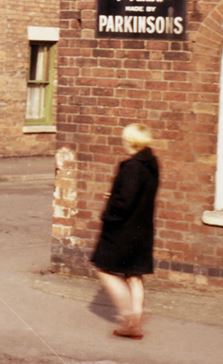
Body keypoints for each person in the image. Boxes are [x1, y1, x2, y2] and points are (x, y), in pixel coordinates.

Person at [90, 123, 160, 340]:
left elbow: (124, 202)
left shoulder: (132, 167)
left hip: (122, 230)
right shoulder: (152, 163)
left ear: (130, 141)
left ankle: (128, 316)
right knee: (134, 274)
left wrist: (108, 213)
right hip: (142, 228)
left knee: (104, 269)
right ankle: (135, 320)